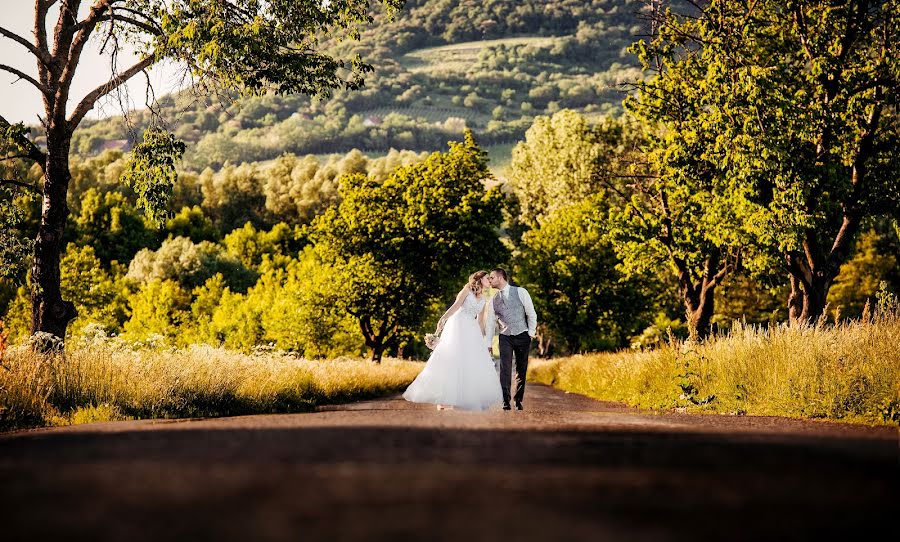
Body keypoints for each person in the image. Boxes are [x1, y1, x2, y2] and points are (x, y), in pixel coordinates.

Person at [402, 271, 502, 411]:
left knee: (469, 362)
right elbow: (455, 306)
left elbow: (480, 321)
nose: (490, 280)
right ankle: (443, 398)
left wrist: (481, 340)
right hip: (458, 325)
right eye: (487, 278)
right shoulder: (467, 289)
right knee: (451, 358)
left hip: (472, 330)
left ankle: (464, 398)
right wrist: (442, 319)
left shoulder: (485, 299)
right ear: (479, 279)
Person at [487, 268, 537, 411]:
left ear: (500, 278)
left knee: (521, 370)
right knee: (505, 369)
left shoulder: (521, 292)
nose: (489, 280)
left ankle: (518, 400)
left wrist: (531, 333)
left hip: (523, 335)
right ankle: (505, 401)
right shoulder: (493, 300)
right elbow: (490, 324)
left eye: (492, 278)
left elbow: (531, 313)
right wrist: (489, 343)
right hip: (505, 337)